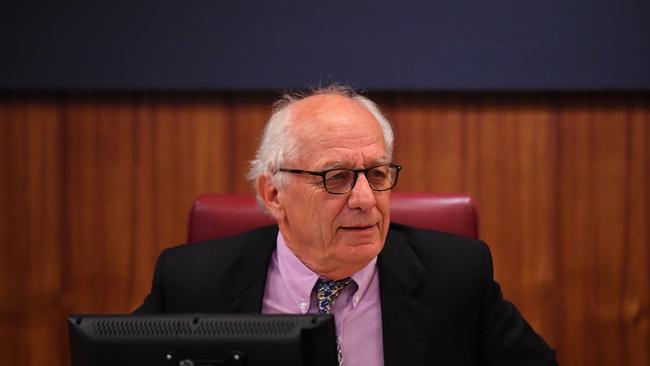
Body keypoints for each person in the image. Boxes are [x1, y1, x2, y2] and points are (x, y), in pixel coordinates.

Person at [136, 85, 558, 365]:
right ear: (273, 195)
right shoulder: (191, 282)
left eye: (376, 175)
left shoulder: (457, 276)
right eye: (335, 178)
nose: (365, 201)